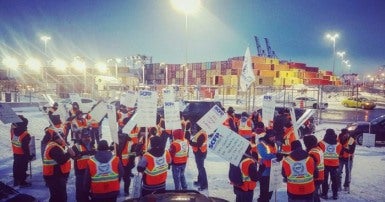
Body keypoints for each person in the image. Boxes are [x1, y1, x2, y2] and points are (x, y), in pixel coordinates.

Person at [43, 132, 75, 202]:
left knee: (58, 195)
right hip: (54, 176)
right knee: (59, 196)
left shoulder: (56, 145)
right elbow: (61, 160)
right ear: (56, 139)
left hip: (56, 174)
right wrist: (69, 153)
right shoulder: (54, 148)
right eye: (62, 138)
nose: (63, 139)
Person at [257, 129, 281, 202]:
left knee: (271, 190)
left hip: (273, 169)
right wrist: (276, 156)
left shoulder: (275, 144)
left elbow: (277, 153)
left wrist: (280, 155)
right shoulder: (261, 144)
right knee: (264, 191)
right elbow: (265, 156)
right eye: (272, 137)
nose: (273, 138)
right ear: (267, 136)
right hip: (264, 170)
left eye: (274, 136)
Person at [72, 128, 96, 202]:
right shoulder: (76, 146)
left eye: (88, 137)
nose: (87, 138)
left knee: (90, 189)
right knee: (81, 190)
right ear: (81, 138)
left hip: (91, 172)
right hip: (81, 173)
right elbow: (73, 156)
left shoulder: (93, 145)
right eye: (85, 137)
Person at [318, 128, 342, 200]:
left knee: (324, 179)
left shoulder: (321, 143)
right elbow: (340, 154)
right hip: (335, 165)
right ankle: (335, 194)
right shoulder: (339, 145)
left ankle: (324, 194)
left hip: (324, 164)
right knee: (334, 180)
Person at [11, 115, 33, 187]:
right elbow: (25, 148)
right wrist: (29, 156)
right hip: (22, 154)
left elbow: (13, 126)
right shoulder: (25, 134)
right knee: (23, 168)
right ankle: (22, 182)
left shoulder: (13, 131)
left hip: (15, 152)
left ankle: (16, 179)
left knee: (16, 166)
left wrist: (17, 119)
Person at [304, 134, 324, 202]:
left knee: (313, 194)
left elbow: (310, 165)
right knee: (315, 194)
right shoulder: (318, 149)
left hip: (316, 177)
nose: (305, 144)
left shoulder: (313, 153)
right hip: (320, 175)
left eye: (305, 143)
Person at [189, 125, 208, 191]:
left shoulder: (201, 134)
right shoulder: (200, 133)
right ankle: (200, 181)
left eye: (195, 128)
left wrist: (190, 142)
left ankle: (204, 185)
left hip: (200, 153)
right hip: (199, 152)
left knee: (201, 168)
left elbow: (198, 144)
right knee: (199, 168)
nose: (194, 129)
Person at [117, 132, 136, 196]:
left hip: (120, 163)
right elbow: (133, 154)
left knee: (119, 178)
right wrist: (132, 163)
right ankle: (126, 191)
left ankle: (119, 190)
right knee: (126, 178)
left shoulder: (116, 142)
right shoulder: (130, 142)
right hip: (127, 163)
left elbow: (133, 153)